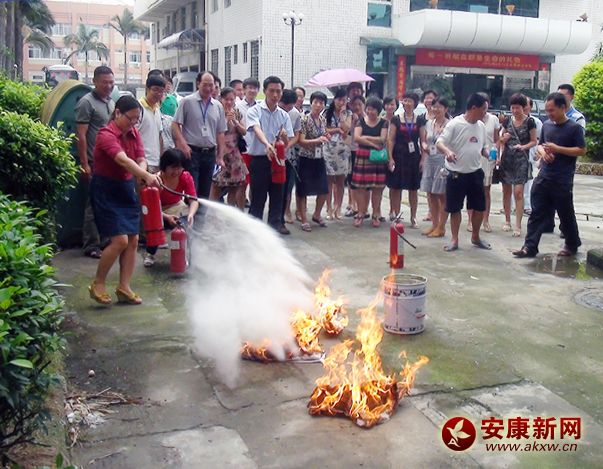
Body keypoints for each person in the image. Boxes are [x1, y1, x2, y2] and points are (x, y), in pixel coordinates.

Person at [88, 96, 161, 305]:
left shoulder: (133, 132)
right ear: (118, 113)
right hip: (106, 190)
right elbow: (122, 160)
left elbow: (141, 158)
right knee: (120, 240)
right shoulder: (106, 134)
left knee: (133, 239)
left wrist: (142, 172)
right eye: (131, 118)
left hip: (126, 188)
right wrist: (145, 175)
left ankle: (124, 287)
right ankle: (98, 283)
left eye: (137, 119)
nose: (134, 123)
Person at [513, 92, 586, 258]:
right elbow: (540, 145)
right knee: (537, 212)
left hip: (562, 178)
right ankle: (529, 247)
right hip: (544, 175)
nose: (549, 113)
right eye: (547, 110)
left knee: (565, 213)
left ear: (563, 108)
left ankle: (572, 243)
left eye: (552, 110)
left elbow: (581, 150)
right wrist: (543, 153)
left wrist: (558, 149)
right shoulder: (547, 125)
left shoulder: (574, 128)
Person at [436, 93, 491, 252]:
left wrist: (487, 152)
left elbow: (483, 146)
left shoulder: (481, 126)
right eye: (483, 109)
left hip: (475, 172)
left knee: (479, 207)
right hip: (456, 173)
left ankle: (476, 236)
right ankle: (454, 239)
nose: (485, 113)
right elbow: (440, 142)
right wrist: (448, 152)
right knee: (455, 208)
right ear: (473, 108)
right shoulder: (455, 124)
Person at [75, 65, 115, 259]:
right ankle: (91, 244)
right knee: (93, 204)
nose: (108, 86)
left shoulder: (110, 102)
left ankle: (105, 241)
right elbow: (81, 136)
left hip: (110, 163)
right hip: (93, 162)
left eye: (111, 82)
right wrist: (84, 164)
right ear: (95, 82)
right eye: (104, 82)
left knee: (107, 203)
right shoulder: (86, 103)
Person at [246, 76, 294, 235]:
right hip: (260, 160)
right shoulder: (254, 111)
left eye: (278, 91)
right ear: (265, 91)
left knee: (278, 195)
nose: (275, 95)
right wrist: (267, 144)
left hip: (278, 161)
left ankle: (275, 225)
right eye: (271, 91)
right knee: (258, 197)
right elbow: (256, 129)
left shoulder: (284, 115)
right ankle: (255, 228)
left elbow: (287, 142)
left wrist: (284, 138)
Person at [171, 71, 226, 198]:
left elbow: (221, 132)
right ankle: (190, 211)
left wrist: (220, 156)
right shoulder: (187, 102)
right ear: (198, 84)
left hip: (210, 153)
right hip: (192, 153)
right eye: (205, 85)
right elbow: (175, 125)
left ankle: (201, 211)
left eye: (211, 85)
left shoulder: (218, 106)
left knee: (205, 191)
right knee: (192, 190)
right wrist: (183, 145)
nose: (208, 88)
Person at [143, 148, 200, 267]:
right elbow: (152, 207)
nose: (177, 171)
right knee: (155, 225)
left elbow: (193, 200)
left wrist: (191, 214)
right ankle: (150, 253)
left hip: (177, 207)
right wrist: (167, 217)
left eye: (180, 167)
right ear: (165, 166)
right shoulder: (156, 180)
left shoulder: (185, 177)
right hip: (158, 210)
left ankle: (185, 255)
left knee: (187, 225)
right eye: (173, 167)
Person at [499, 93, 537, 237]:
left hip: (521, 160)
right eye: (513, 107)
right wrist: (504, 139)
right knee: (506, 191)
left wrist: (523, 147)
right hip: (507, 159)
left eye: (518, 108)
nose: (515, 110)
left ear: (524, 107)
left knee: (518, 192)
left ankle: (518, 225)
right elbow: (500, 140)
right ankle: (507, 220)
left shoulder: (530, 122)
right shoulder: (507, 121)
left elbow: (534, 141)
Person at [387, 92, 423, 227]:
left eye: (410, 101)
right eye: (405, 100)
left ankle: (413, 216)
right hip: (398, 155)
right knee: (396, 187)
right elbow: (391, 139)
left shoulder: (419, 120)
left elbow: (423, 140)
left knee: (413, 189)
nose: (407, 103)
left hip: (413, 157)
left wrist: (423, 159)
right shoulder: (396, 119)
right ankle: (397, 215)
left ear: (415, 103)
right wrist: (390, 158)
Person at [351, 97, 388, 228]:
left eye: (373, 109)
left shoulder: (383, 122)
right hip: (362, 156)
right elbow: (356, 138)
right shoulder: (360, 121)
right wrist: (372, 143)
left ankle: (376, 214)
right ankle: (361, 213)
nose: (370, 111)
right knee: (360, 187)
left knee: (377, 188)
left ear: (378, 110)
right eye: (368, 109)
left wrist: (365, 137)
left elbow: (383, 139)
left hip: (377, 158)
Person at [210, 86, 248, 208]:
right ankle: (212, 212)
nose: (229, 102)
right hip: (220, 153)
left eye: (232, 99)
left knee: (234, 186)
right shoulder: (216, 112)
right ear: (221, 99)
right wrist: (226, 120)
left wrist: (235, 122)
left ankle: (230, 211)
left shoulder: (237, 112)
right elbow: (217, 132)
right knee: (216, 185)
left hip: (234, 154)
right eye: (227, 99)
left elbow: (244, 131)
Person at [297, 91, 330, 232]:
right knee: (303, 190)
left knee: (324, 189)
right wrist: (317, 140)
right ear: (311, 103)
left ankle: (317, 214)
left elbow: (323, 134)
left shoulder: (322, 120)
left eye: (321, 102)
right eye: (315, 102)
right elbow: (301, 141)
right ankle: (304, 219)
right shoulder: (304, 119)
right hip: (306, 158)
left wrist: (326, 136)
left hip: (319, 157)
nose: (318, 105)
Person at [419, 97, 450, 237]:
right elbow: (424, 140)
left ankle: (441, 227)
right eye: (434, 106)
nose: (436, 109)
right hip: (430, 160)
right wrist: (424, 146)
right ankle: (434, 224)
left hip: (443, 162)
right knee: (431, 194)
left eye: (439, 107)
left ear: (446, 109)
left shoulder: (450, 125)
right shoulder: (429, 123)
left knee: (442, 195)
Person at [469, 92, 500, 233]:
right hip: (474, 156)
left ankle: (485, 220)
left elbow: (497, 139)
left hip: (488, 157)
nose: (484, 108)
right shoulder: (472, 120)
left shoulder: (493, 119)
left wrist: (496, 153)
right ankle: (470, 220)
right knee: (472, 190)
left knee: (486, 190)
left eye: (486, 105)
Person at [324, 88, 352, 220]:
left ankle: (338, 207)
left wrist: (342, 116)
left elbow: (346, 129)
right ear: (334, 99)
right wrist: (336, 130)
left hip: (343, 150)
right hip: (329, 149)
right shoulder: (327, 112)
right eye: (339, 99)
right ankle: (329, 208)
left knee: (341, 180)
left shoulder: (348, 113)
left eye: (344, 100)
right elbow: (324, 129)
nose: (341, 102)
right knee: (329, 180)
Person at [278, 89, 302, 226]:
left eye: (290, 107)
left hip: (288, 157)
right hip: (271, 154)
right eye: (284, 106)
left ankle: (283, 215)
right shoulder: (273, 111)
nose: (287, 109)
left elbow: (297, 135)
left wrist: (287, 146)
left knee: (287, 187)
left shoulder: (295, 114)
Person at [137, 75, 165, 173]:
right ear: (147, 89)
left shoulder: (157, 110)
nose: (159, 94)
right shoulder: (138, 108)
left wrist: (161, 159)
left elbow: (159, 136)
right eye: (155, 90)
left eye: (161, 91)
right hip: (141, 162)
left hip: (156, 162)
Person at [237, 77, 260, 190]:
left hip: (256, 149)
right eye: (250, 88)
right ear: (244, 90)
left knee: (255, 183)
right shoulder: (237, 107)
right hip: (243, 149)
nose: (252, 90)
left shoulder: (260, 108)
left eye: (255, 88)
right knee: (242, 183)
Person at [345, 95, 366, 218]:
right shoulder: (350, 118)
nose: (357, 107)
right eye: (354, 104)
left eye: (360, 104)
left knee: (364, 181)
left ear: (364, 105)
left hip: (365, 152)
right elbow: (346, 135)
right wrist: (352, 122)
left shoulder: (368, 118)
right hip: (352, 151)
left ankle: (364, 207)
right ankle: (353, 205)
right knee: (351, 179)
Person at [523, 97, 543, 215]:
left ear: (530, 107)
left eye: (525, 104)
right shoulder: (512, 120)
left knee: (528, 182)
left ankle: (527, 206)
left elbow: (541, 140)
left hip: (530, 155)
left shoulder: (536, 122)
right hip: (514, 157)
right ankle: (512, 206)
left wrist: (539, 154)